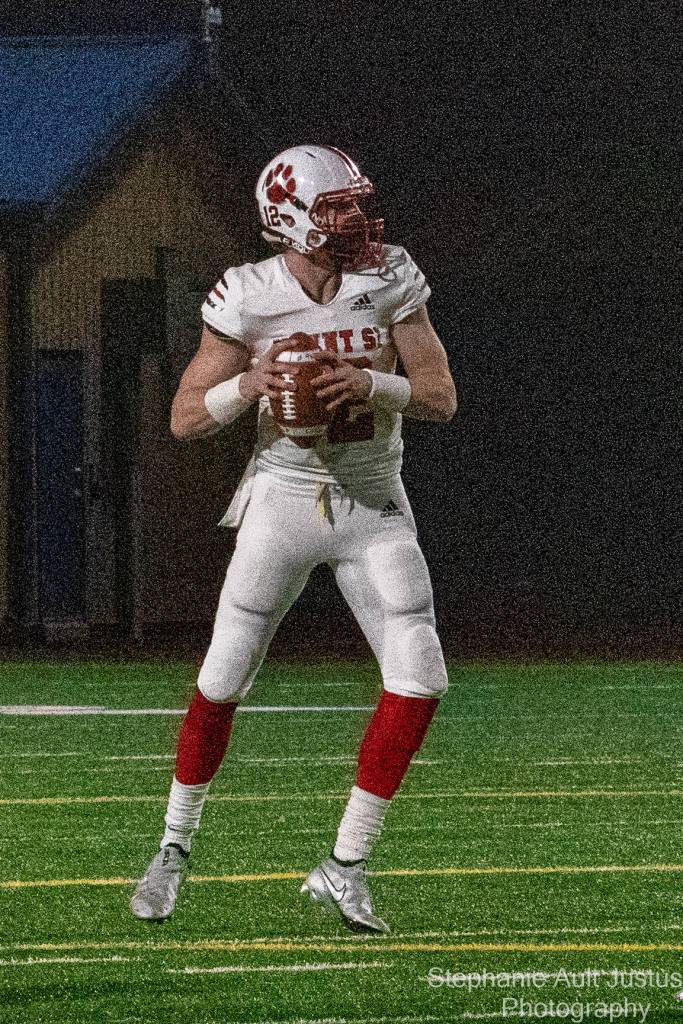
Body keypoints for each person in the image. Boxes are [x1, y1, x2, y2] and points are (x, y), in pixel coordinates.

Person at [130, 144, 457, 933]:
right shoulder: (248, 295)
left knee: (420, 675)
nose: (355, 220)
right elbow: (181, 418)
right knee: (223, 676)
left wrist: (372, 384)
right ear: (287, 216)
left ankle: (344, 866)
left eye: (356, 203)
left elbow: (441, 397)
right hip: (281, 499)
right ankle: (173, 846)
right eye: (336, 207)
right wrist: (251, 381)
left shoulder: (391, 279)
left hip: (373, 499)